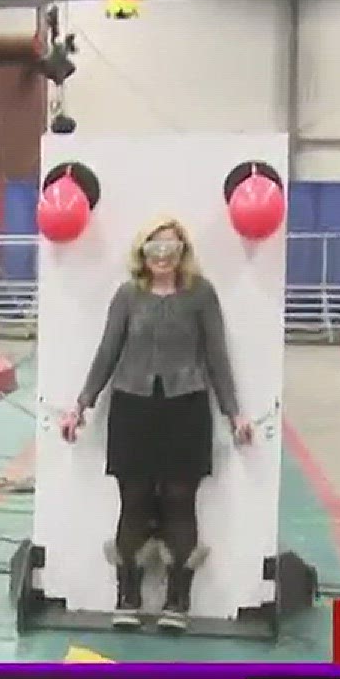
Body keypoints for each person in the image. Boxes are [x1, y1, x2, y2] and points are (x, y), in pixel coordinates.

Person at [58, 217, 253, 631]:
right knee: (135, 498)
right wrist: (81, 406)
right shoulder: (127, 296)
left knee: (181, 500)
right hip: (133, 408)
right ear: (142, 253)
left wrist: (234, 412)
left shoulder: (202, 296)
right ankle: (127, 596)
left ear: (183, 252)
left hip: (187, 408)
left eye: (171, 248)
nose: (162, 257)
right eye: (154, 248)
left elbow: (217, 357)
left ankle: (177, 601)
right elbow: (107, 353)